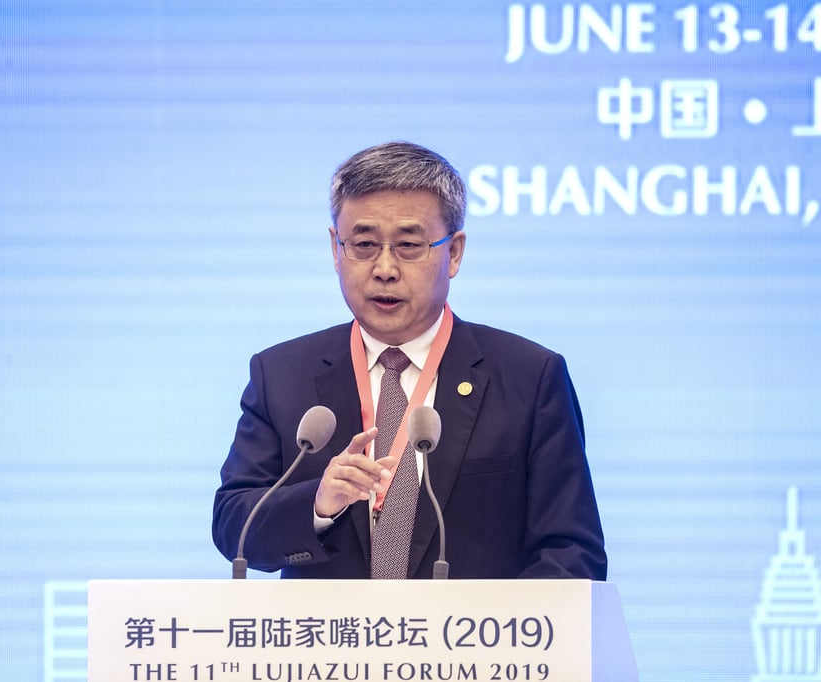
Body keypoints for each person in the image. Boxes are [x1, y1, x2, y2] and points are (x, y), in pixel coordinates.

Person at [212, 141, 606, 579]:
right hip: (327, 626)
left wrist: (494, 623)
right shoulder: (282, 375)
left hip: (471, 626)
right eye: (363, 244)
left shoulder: (530, 378)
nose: (384, 269)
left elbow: (572, 552)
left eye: (408, 245)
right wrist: (318, 505)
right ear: (336, 250)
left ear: (454, 253)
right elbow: (233, 525)